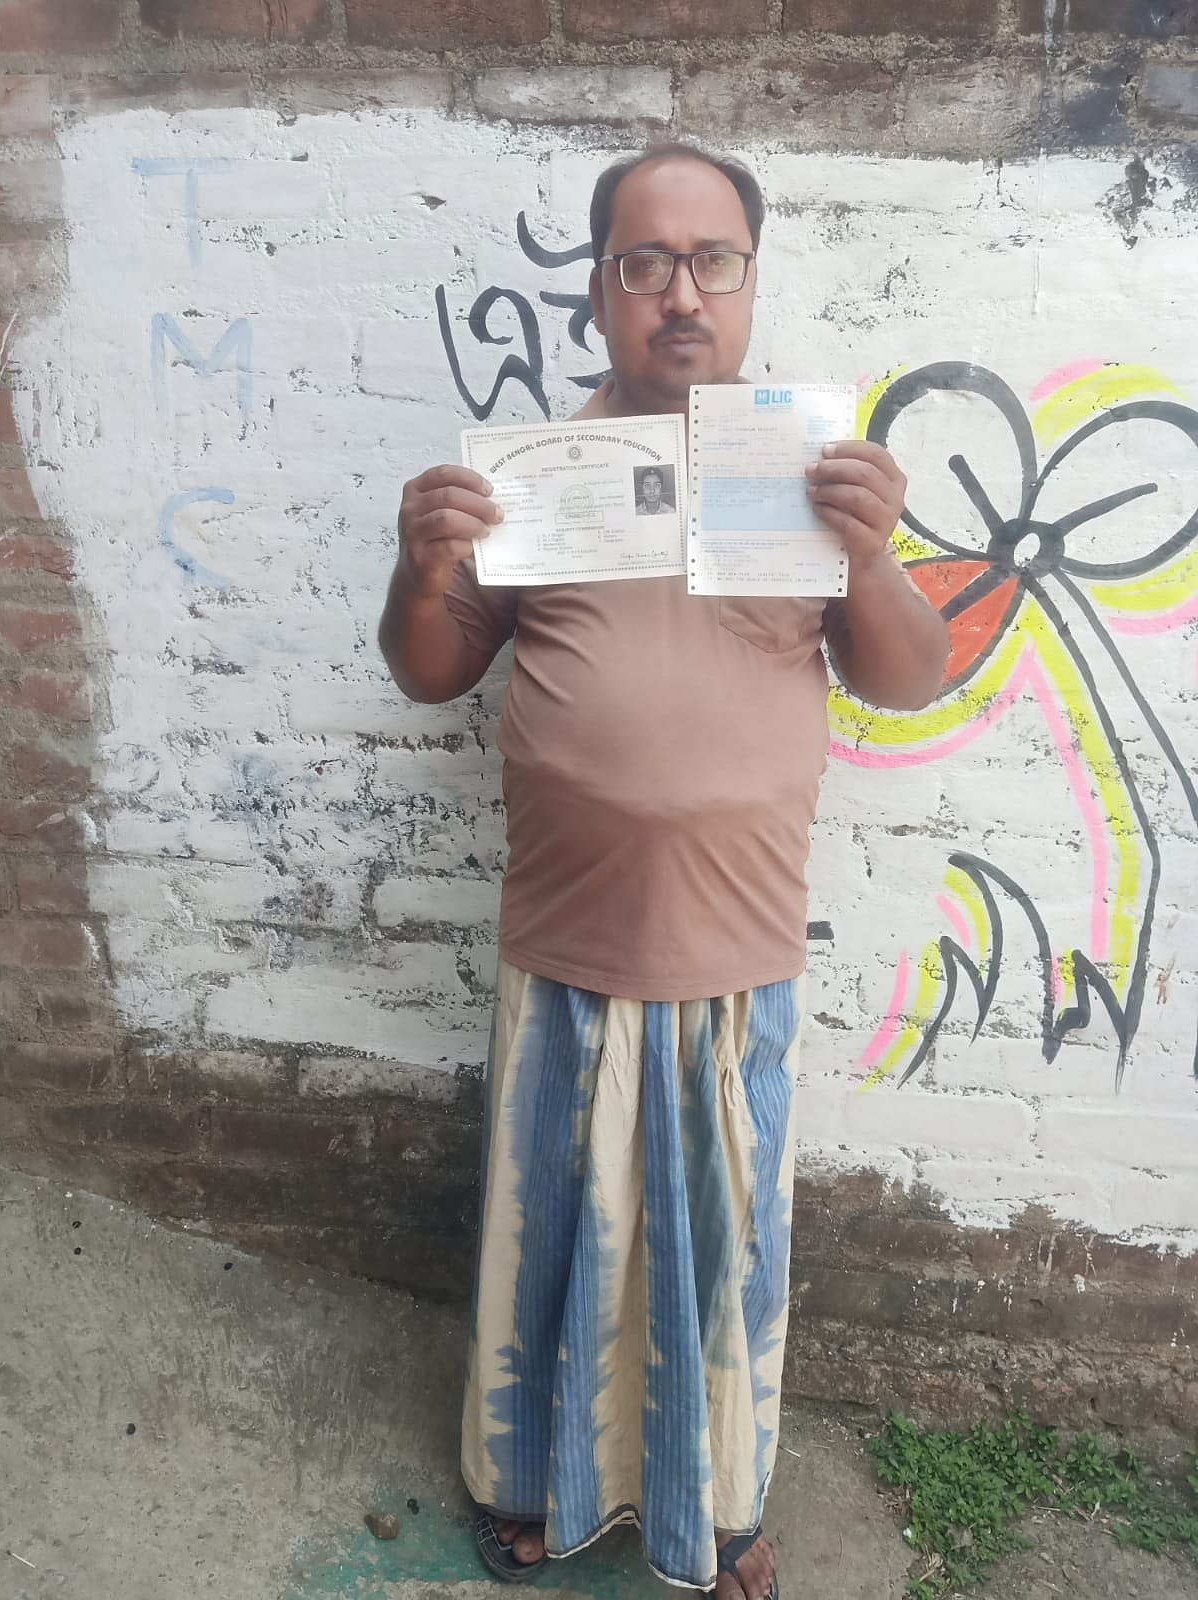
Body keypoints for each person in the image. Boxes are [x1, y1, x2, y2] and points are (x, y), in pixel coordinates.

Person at [378, 142, 948, 1600]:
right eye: (644, 264)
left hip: (735, 960)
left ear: (751, 282)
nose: (679, 295)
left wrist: (874, 556)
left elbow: (906, 678)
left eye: (712, 263)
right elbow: (434, 673)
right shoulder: (538, 478)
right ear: (598, 290)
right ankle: (529, 1488)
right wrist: (420, 564)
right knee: (552, 1246)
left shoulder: (808, 477)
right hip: (565, 949)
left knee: (718, 1270)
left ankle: (717, 1511)